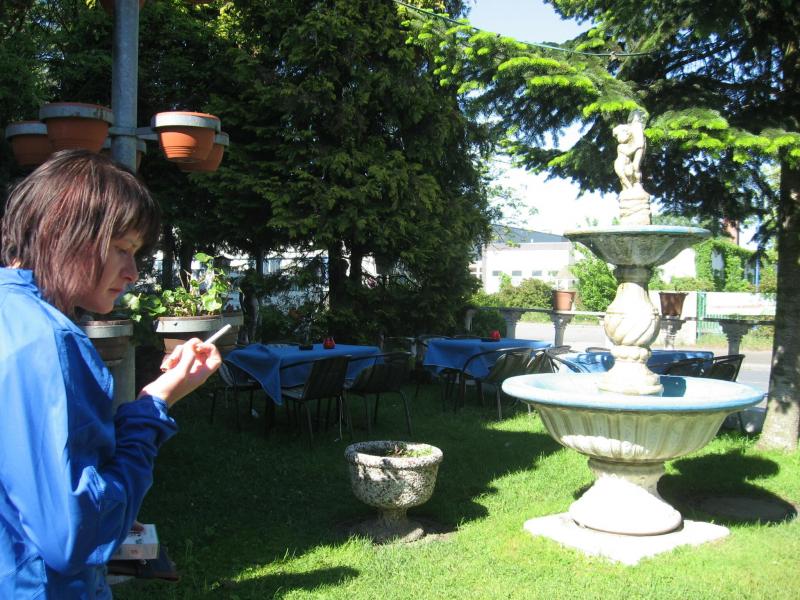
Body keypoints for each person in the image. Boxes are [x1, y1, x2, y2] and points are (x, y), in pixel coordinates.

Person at [0, 150, 221, 598]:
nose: (133, 273)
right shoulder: (50, 342)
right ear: (65, 232)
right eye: (122, 248)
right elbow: (74, 536)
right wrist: (152, 408)